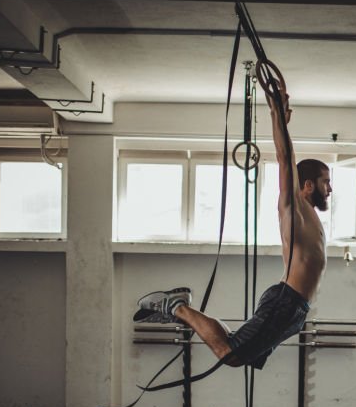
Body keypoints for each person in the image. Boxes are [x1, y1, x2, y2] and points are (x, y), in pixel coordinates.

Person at [133, 81, 330, 370]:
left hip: (295, 310)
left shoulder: (312, 217)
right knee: (230, 354)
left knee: (237, 350)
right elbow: (284, 158)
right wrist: (277, 117)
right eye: (326, 182)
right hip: (286, 302)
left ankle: (180, 305)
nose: (331, 189)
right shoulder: (294, 209)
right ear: (308, 185)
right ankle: (176, 307)